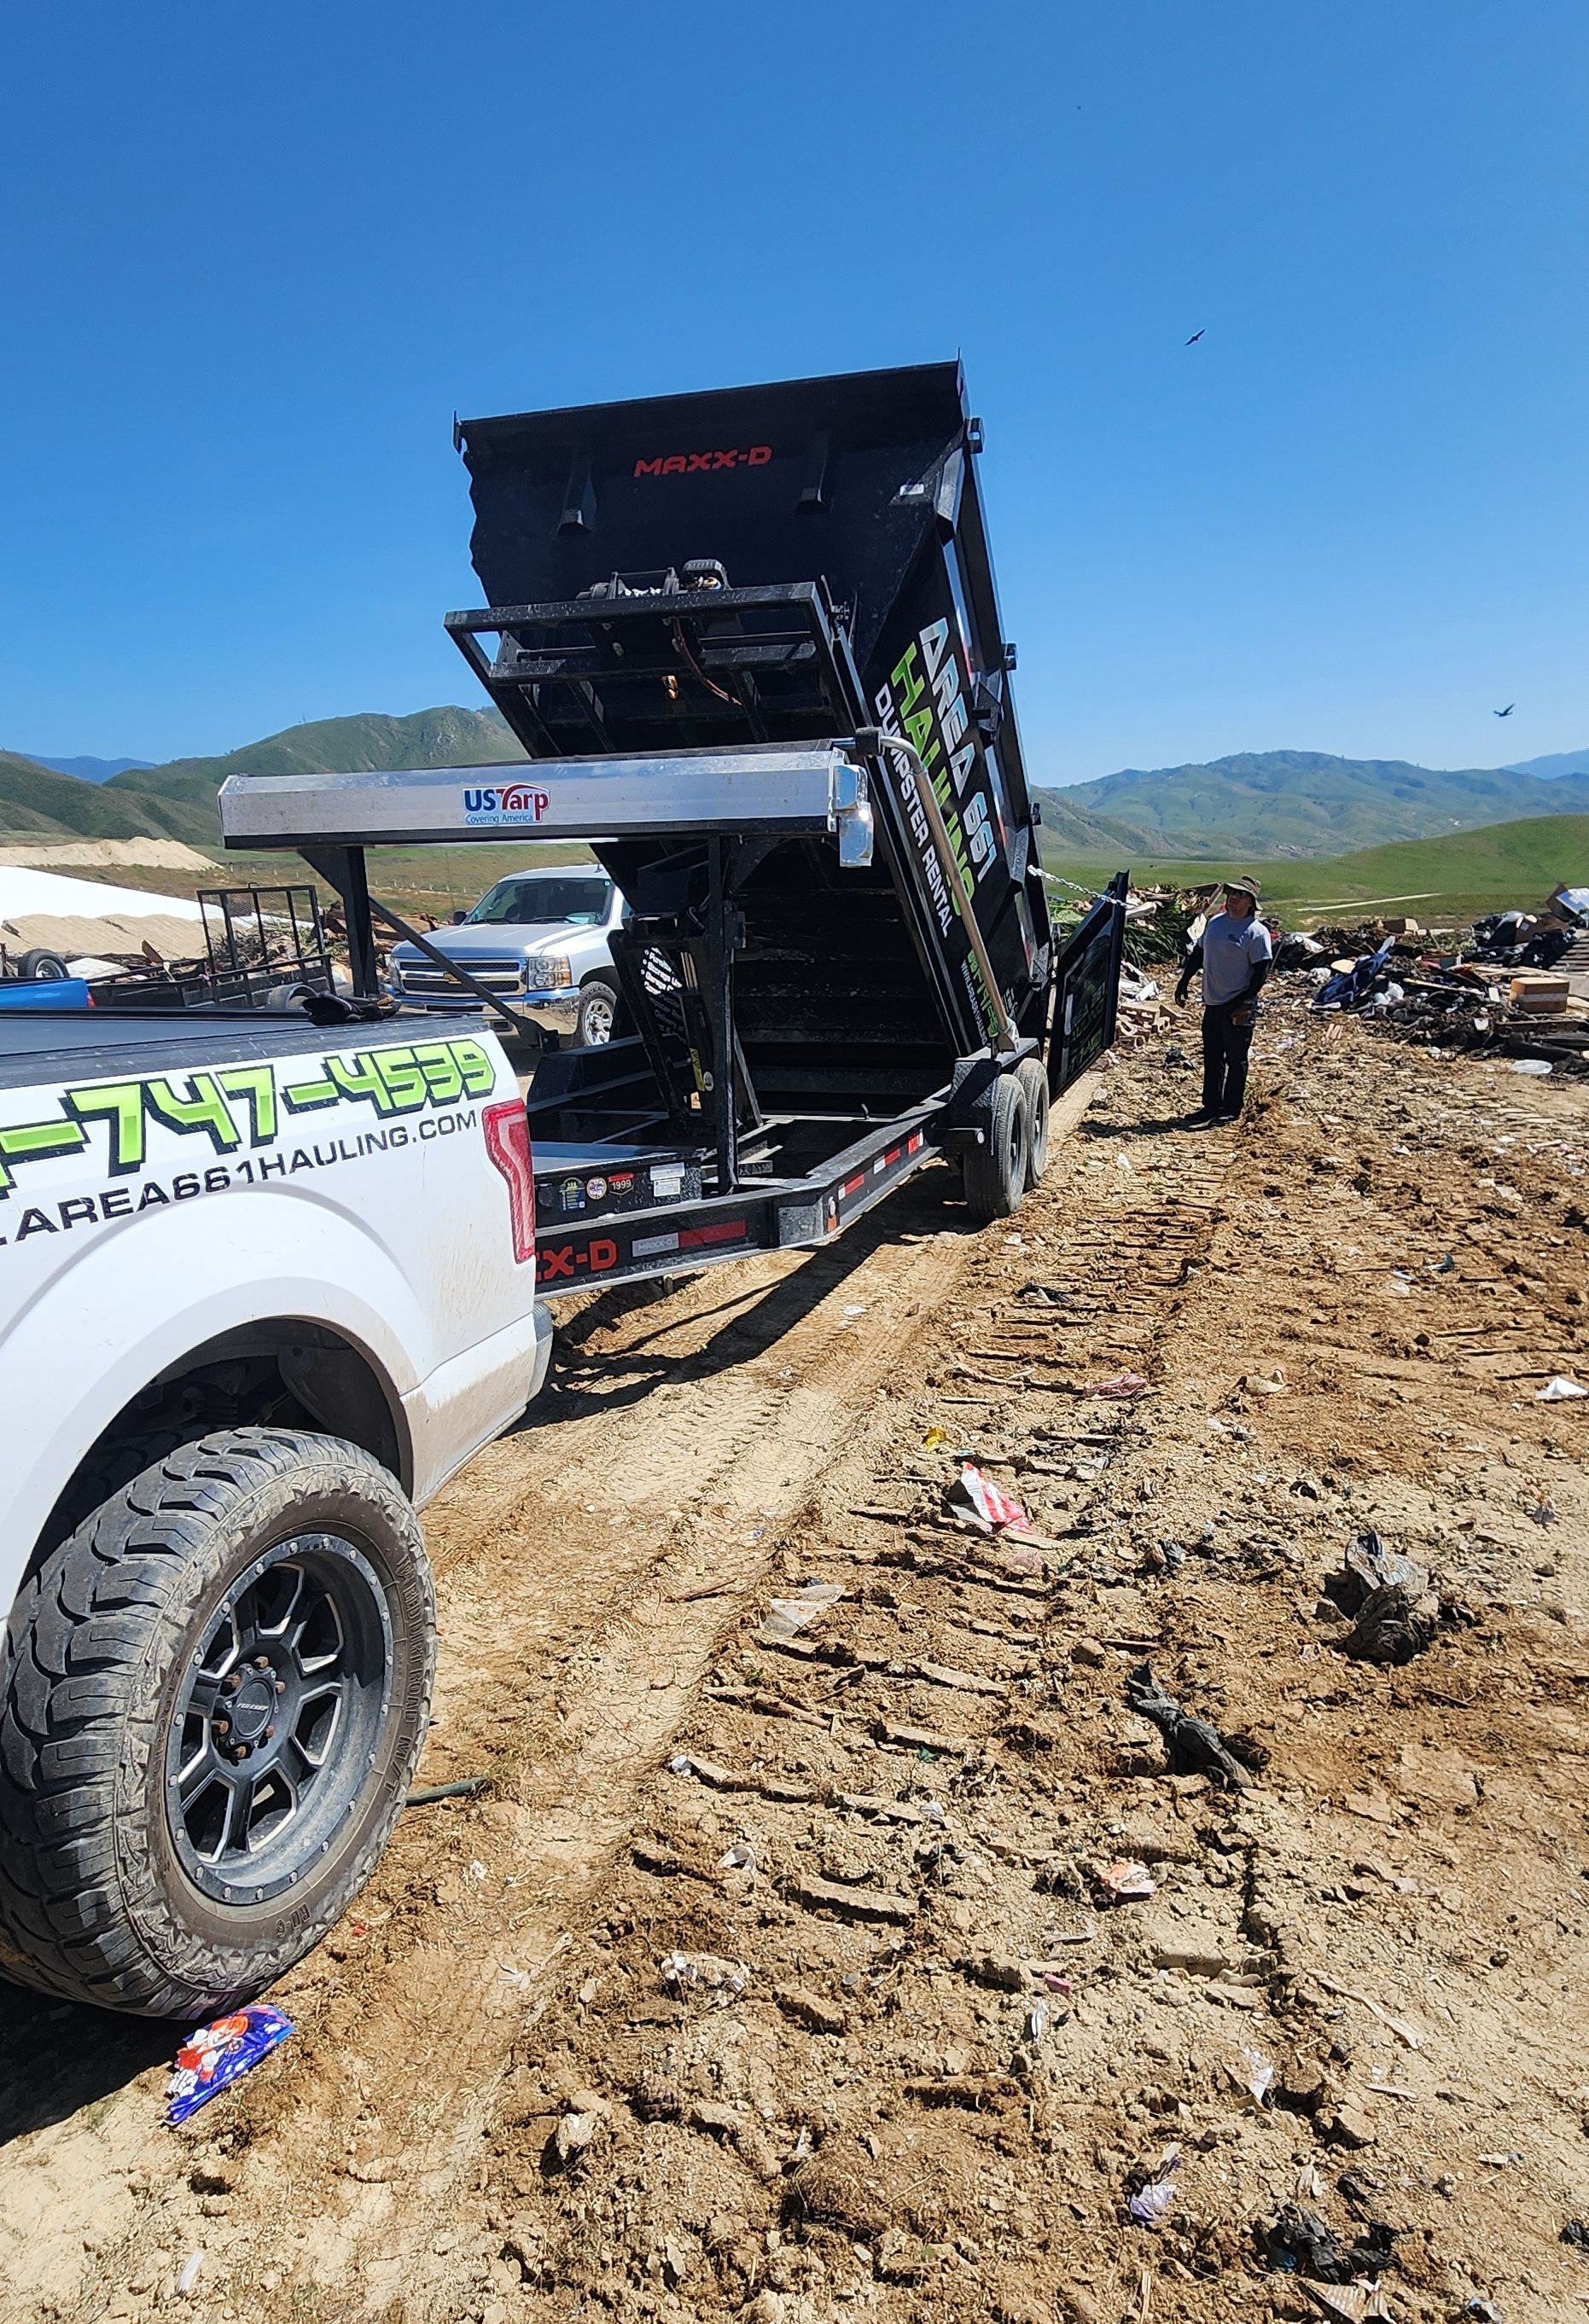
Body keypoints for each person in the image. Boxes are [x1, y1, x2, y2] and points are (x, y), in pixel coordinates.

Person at [1173, 877, 1272, 1124]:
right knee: (1212, 1055)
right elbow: (1199, 953)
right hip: (1213, 1001)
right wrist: (1184, 981)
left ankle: (1231, 1108)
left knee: (1236, 1058)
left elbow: (1261, 973)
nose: (1233, 897)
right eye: (1231, 893)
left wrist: (1244, 1001)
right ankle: (1211, 1105)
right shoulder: (1215, 924)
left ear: (1251, 903)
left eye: (1240, 895)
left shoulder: (1256, 932)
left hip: (1238, 1004)